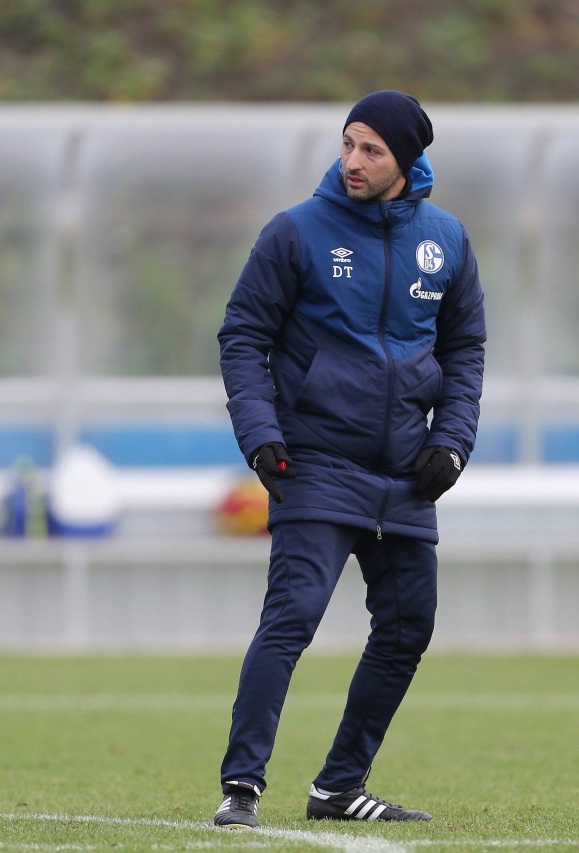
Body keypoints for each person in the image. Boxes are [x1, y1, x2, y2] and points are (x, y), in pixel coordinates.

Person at [213, 91, 486, 828]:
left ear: (407, 161)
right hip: (315, 463)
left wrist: (452, 439)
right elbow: (242, 335)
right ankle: (242, 785)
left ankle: (339, 786)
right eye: (348, 144)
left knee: (409, 626)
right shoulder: (296, 232)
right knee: (292, 617)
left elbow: (465, 349)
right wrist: (260, 430)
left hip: (407, 470)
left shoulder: (448, 240)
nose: (353, 161)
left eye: (372, 150)